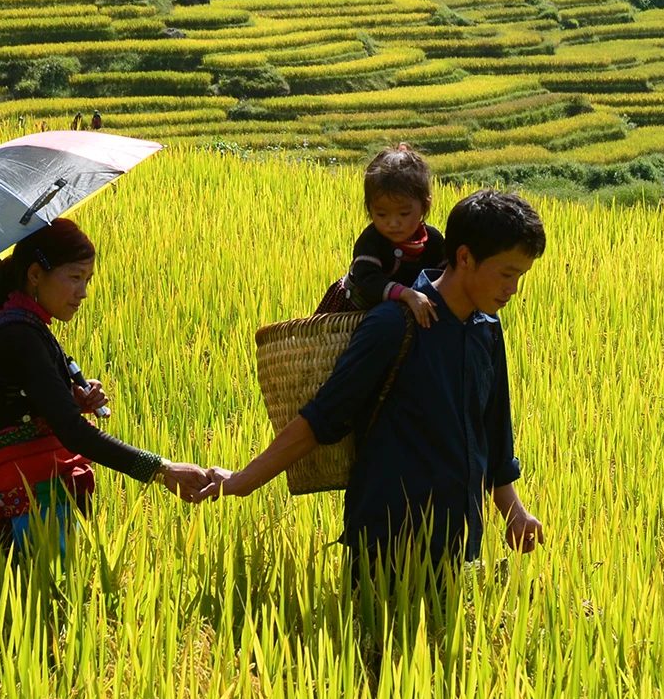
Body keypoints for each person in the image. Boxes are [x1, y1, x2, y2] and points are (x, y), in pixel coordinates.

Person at [202, 189, 547, 568]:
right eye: (507, 274)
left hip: (458, 543)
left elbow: (493, 430)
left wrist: (514, 512)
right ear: (464, 257)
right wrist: (241, 481)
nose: (513, 290)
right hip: (385, 549)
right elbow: (322, 418)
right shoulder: (393, 325)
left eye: (520, 276)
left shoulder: (487, 326)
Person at [0, 217, 211, 552]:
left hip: (1, 476)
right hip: (16, 490)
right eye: (74, 277)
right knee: (41, 594)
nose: (83, 293)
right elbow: (74, 433)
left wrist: (71, 399)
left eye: (87, 279)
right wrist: (162, 469)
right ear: (34, 275)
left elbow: (8, 404)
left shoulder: (14, 321)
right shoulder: (20, 334)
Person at [314, 146, 444, 328]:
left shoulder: (433, 240)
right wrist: (407, 294)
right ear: (370, 209)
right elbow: (369, 282)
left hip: (402, 317)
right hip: (354, 313)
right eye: (382, 214)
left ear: (425, 205)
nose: (393, 223)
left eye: (404, 213)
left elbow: (448, 276)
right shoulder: (371, 241)